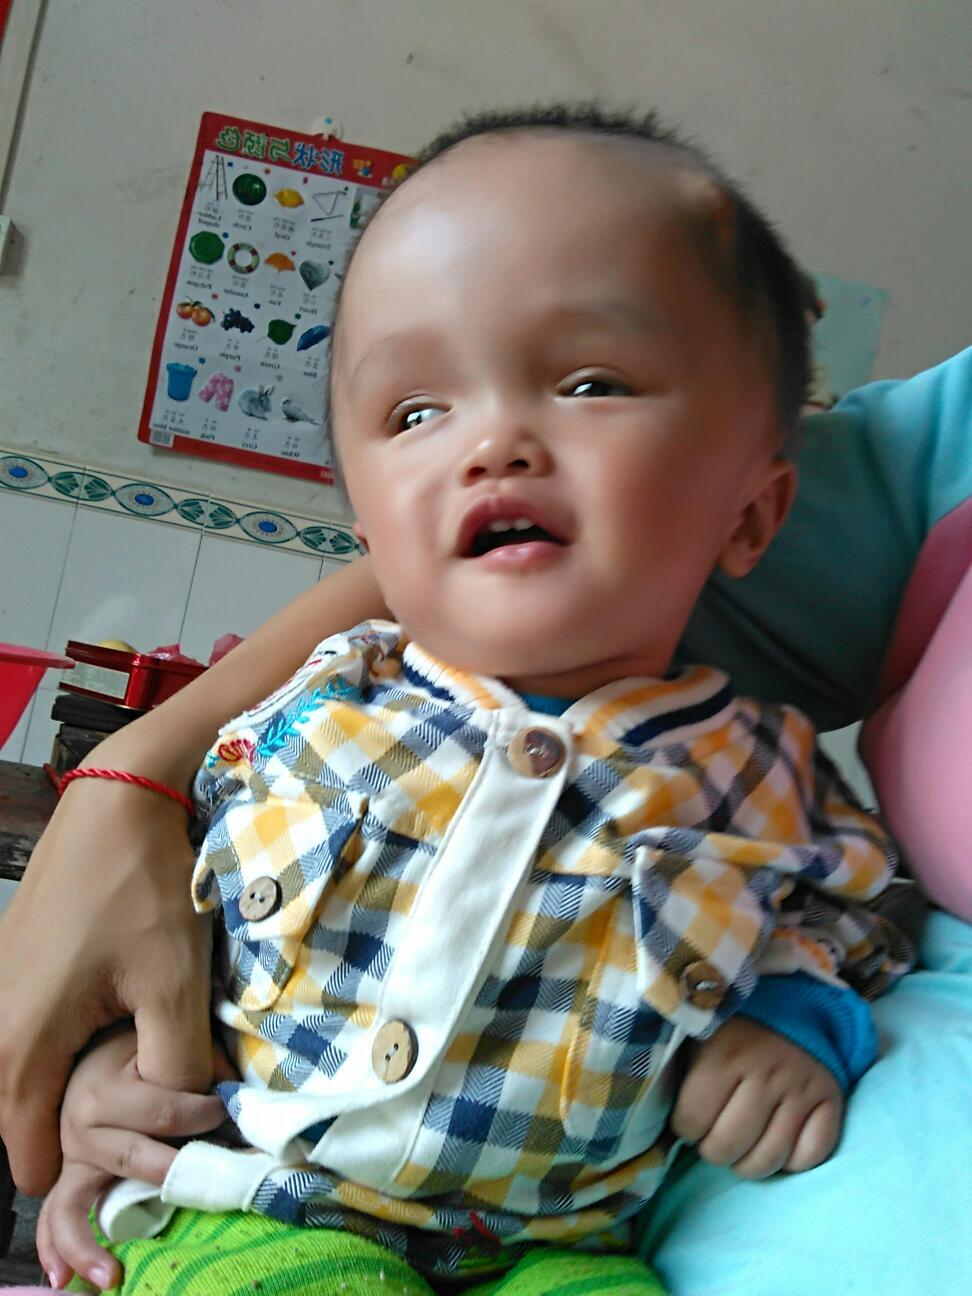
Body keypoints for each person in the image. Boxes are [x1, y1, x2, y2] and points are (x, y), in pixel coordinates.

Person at [23, 106, 909, 1296]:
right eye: (415, 413)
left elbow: (853, 926)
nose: (493, 440)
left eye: (590, 381)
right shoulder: (315, 715)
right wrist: (108, 1073)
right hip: (255, 1207)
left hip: (558, 1249)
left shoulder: (765, 779)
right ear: (370, 527)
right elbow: (175, 932)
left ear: (750, 515)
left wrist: (791, 1028)